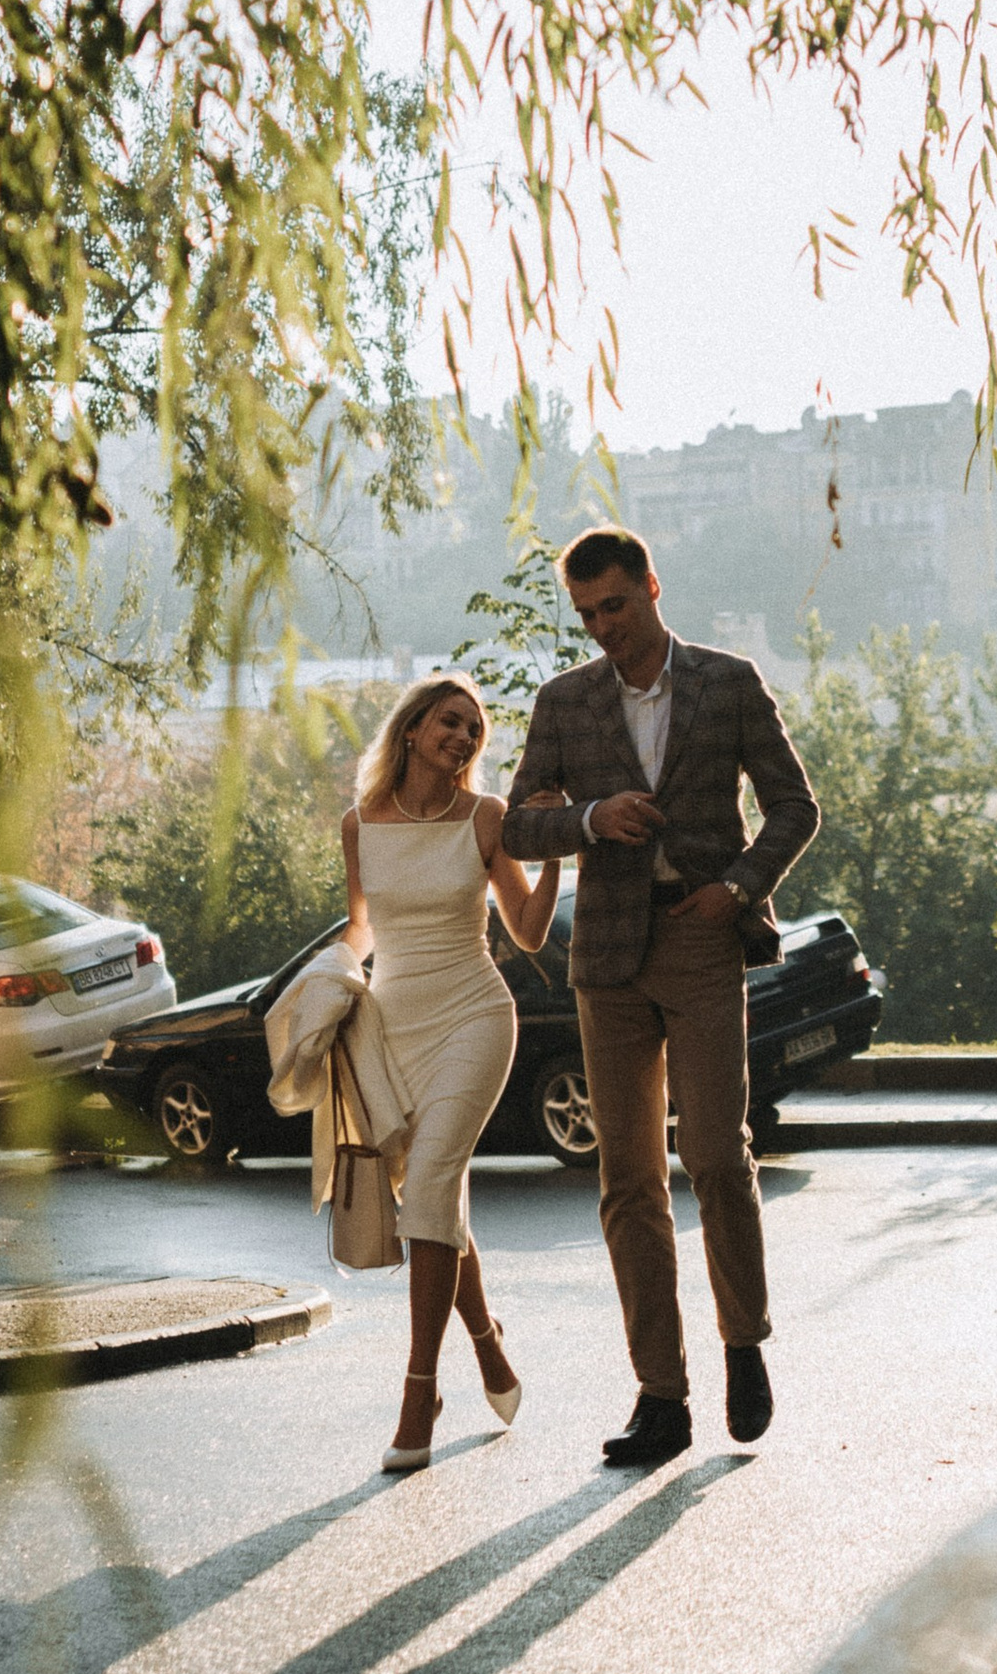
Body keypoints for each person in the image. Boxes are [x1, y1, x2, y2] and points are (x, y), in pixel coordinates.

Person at [502, 530, 820, 1466]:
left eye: (617, 608)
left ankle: (744, 1345)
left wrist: (742, 887)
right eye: (588, 615)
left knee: (720, 1154)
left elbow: (795, 805)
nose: (604, 629)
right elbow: (519, 823)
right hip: (605, 957)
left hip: (702, 936)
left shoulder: (729, 682)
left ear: (651, 588)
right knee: (627, 1182)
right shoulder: (565, 701)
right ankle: (661, 1395)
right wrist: (592, 818)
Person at [341, 675, 560, 1474]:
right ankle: (488, 1345)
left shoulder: (487, 818)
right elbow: (364, 931)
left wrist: (556, 862)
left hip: (474, 1014)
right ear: (410, 729)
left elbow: (530, 934)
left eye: (474, 730)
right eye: (450, 722)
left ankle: (418, 1391)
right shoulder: (359, 824)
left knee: (430, 1183)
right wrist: (326, 987)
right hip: (393, 1024)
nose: (464, 738)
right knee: (436, 1199)